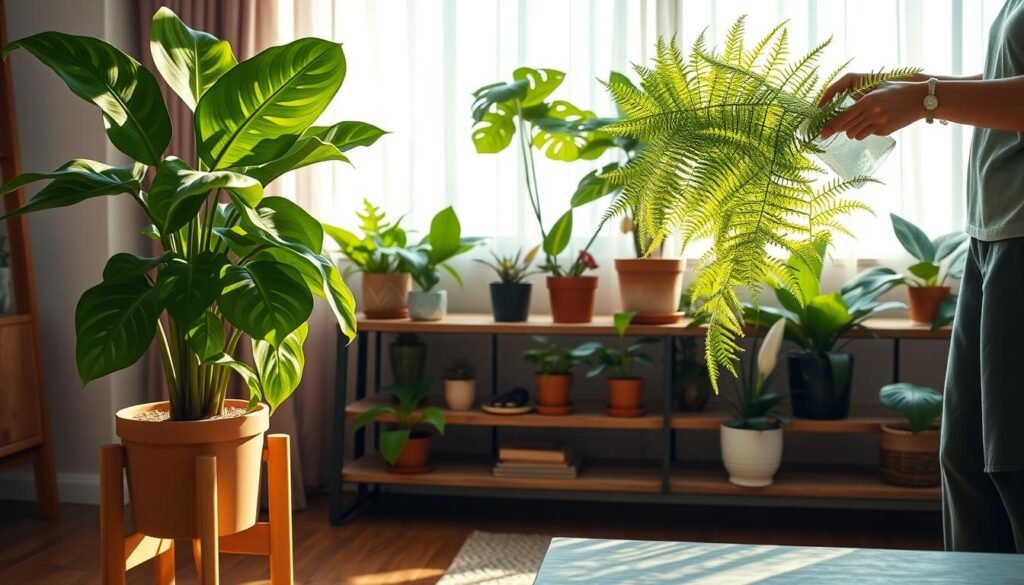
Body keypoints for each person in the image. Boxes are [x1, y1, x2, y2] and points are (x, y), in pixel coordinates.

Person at [817, 0, 1024, 554]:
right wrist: (910, 88)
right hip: (992, 235)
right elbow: (1007, 78)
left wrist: (925, 99)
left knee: (1012, 461)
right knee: (967, 460)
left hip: (1018, 238)